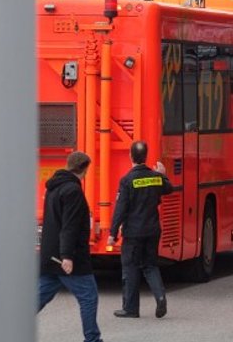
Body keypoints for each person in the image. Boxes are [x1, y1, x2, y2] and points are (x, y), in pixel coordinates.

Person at [38, 151, 103, 342]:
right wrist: (67, 256)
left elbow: (53, 221)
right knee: (89, 296)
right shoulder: (73, 191)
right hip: (69, 256)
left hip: (50, 253)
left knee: (40, 296)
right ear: (84, 168)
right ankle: (92, 338)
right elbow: (70, 225)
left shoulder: (53, 187)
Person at [109, 141, 174, 318]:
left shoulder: (127, 180)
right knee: (150, 266)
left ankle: (130, 308)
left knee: (130, 267)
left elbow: (120, 208)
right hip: (153, 230)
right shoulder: (156, 177)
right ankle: (160, 297)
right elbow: (169, 189)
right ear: (145, 156)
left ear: (131, 156)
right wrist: (164, 175)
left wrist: (112, 233)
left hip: (133, 232)